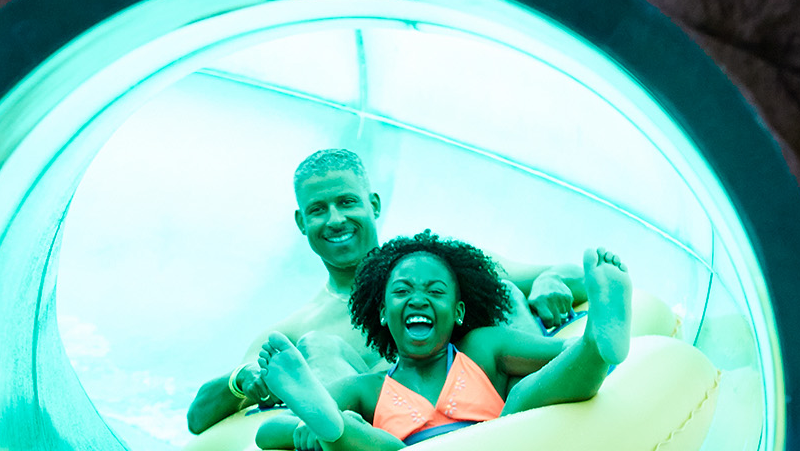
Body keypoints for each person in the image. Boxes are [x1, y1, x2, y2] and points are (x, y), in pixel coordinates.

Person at [183, 149, 586, 435]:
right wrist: (242, 381)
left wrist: (551, 282)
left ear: (373, 204)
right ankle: (340, 430)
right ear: (300, 222)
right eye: (318, 210)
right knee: (319, 347)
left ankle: (548, 397)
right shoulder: (301, 327)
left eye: (347, 202)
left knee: (503, 289)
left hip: (501, 415)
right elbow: (198, 416)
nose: (335, 219)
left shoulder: (437, 268)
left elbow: (570, 272)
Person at [252, 232, 632, 451]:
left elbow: (557, 355)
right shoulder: (366, 388)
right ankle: (333, 429)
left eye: (435, 292)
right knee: (370, 438)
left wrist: (574, 344)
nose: (418, 299)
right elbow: (268, 433)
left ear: (459, 311)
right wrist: (304, 429)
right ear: (382, 313)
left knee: (522, 395)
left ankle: (598, 344)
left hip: (499, 448)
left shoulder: (483, 347)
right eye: (401, 292)